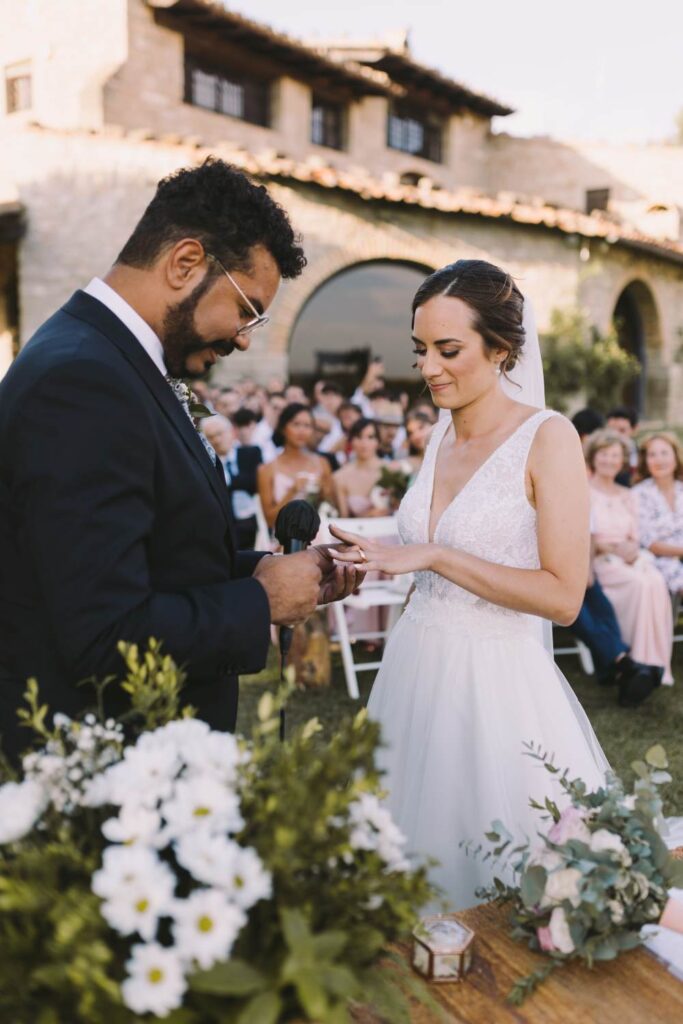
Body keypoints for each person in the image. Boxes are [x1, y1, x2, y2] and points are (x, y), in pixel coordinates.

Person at [0, 158, 362, 764]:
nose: (246, 337)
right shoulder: (84, 379)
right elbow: (102, 633)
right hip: (104, 775)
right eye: (246, 308)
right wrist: (261, 603)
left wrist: (266, 572)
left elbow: (149, 556)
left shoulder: (112, 360)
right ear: (185, 262)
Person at [330, 259, 608, 909]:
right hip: (413, 664)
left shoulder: (548, 438)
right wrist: (373, 556)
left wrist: (431, 556)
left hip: (494, 683)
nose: (428, 368)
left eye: (447, 350)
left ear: (501, 349)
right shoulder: (440, 435)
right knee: (393, 863)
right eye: (420, 349)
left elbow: (564, 597)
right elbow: (432, 549)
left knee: (502, 879)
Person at [586, 429, 673, 684]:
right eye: (604, 454)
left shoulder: (627, 494)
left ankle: (656, 664)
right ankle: (633, 658)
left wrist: (631, 549)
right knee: (638, 584)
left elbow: (635, 534)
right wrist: (609, 549)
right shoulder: (583, 491)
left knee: (655, 580)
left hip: (629, 556)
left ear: (622, 461)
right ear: (594, 458)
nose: (609, 461)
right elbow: (583, 536)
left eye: (615, 456)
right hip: (600, 561)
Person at [257, 403, 334, 530]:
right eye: (296, 424)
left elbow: (331, 508)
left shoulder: (322, 463)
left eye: (307, 426)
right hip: (284, 537)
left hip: (319, 532)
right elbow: (270, 521)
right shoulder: (266, 469)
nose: (302, 431)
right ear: (283, 427)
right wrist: (293, 491)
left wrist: (324, 493)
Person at [201, 413, 262, 550]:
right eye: (210, 437)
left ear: (232, 433)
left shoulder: (250, 453)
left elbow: (256, 482)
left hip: (253, 522)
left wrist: (228, 480)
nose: (216, 440)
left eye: (219, 434)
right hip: (224, 528)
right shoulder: (206, 464)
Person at [634, 432, 683, 594]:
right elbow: (651, 544)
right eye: (652, 455)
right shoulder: (638, 494)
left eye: (664, 453)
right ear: (645, 461)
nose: (659, 459)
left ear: (675, 457)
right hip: (660, 562)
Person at [332, 419, 387, 517]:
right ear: (351, 441)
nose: (364, 443)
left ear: (378, 441)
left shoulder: (392, 470)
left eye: (370, 437)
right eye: (358, 437)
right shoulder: (340, 476)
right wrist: (368, 515)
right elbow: (344, 518)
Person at [606, 405, 639, 486]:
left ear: (634, 429)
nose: (616, 436)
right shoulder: (601, 458)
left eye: (622, 430)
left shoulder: (644, 455)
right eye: (611, 430)